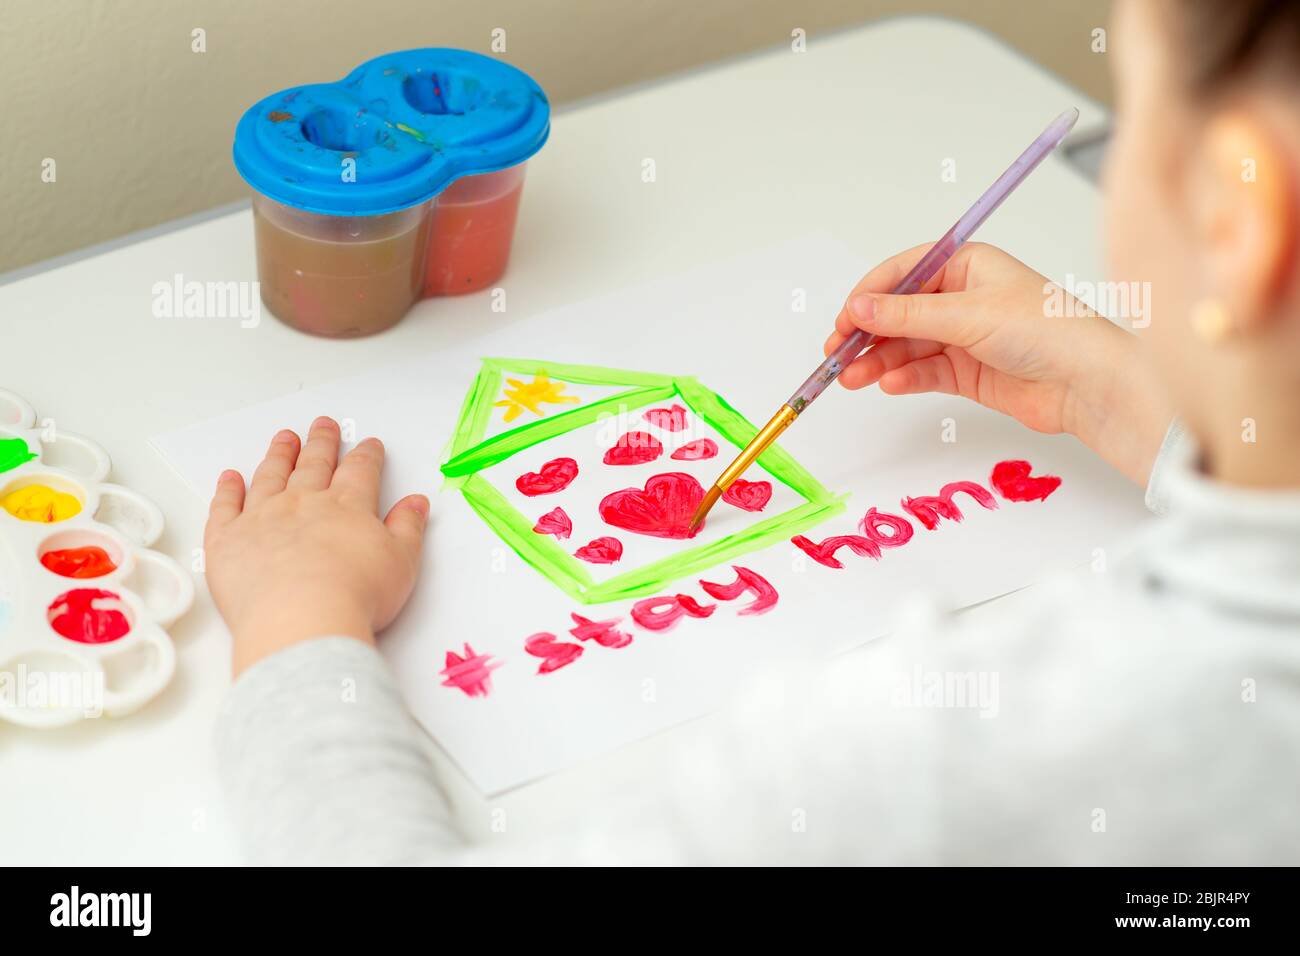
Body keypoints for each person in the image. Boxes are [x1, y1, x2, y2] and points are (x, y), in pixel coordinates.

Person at [206, 0, 1300, 863]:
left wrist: (299, 618)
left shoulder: (957, 748)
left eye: (1135, 114)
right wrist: (1116, 397)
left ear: (1232, 220)